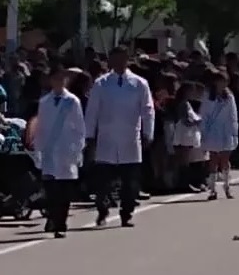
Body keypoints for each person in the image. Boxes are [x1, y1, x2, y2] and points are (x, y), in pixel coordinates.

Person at [84, 46, 155, 227]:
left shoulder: (139, 84)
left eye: (121, 59)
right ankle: (102, 210)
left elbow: (148, 110)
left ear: (127, 59)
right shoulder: (101, 84)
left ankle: (127, 213)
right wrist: (89, 135)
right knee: (103, 182)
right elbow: (92, 111)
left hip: (130, 138)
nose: (118, 63)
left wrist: (148, 132)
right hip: (106, 138)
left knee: (130, 182)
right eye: (114, 59)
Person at [33, 63, 86, 238]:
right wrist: (38, 151)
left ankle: (60, 224)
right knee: (51, 191)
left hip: (66, 150)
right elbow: (40, 128)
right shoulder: (44, 102)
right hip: (49, 151)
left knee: (64, 192)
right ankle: (53, 219)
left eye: (62, 79)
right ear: (50, 80)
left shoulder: (72, 101)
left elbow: (79, 128)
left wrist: (78, 150)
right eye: (56, 78)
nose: (59, 82)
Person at [200, 70, 239, 200]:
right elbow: (204, 114)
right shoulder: (208, 96)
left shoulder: (229, 96)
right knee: (213, 159)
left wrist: (235, 132)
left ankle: (227, 187)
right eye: (220, 81)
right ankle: (212, 189)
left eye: (225, 81)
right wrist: (203, 131)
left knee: (225, 160)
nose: (222, 84)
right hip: (212, 130)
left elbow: (233, 115)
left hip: (226, 130)